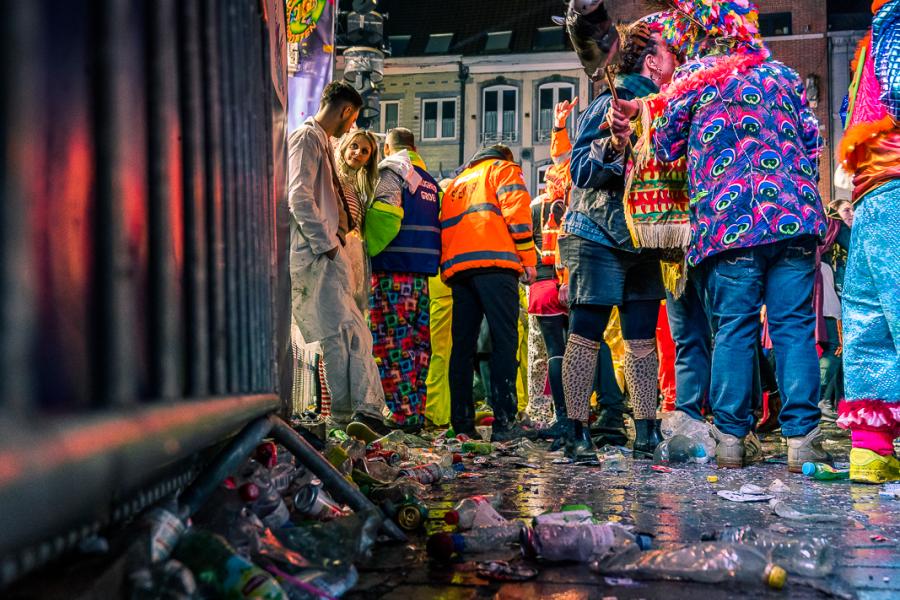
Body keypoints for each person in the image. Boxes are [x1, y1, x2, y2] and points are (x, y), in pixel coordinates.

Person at [615, 0, 831, 471]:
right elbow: (813, 143)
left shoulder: (695, 79)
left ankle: (732, 438)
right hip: (795, 219)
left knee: (734, 327)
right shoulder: (783, 75)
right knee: (794, 326)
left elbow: (664, 144)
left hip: (731, 225)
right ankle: (802, 440)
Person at [558, 18, 678, 460]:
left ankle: (646, 431)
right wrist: (612, 144)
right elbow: (580, 171)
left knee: (642, 340)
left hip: (643, 237)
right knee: (586, 334)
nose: (676, 58)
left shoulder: (666, 109)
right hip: (598, 234)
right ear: (651, 61)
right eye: (669, 51)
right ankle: (576, 431)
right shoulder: (611, 102)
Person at [288, 81, 388, 433]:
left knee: (349, 335)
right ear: (347, 111)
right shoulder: (306, 138)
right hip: (320, 253)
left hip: (331, 252)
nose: (351, 125)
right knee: (341, 334)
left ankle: (357, 412)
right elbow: (298, 196)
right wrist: (327, 245)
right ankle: (353, 413)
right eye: (353, 117)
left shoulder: (320, 141)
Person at [835, 0, 900, 483]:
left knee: (867, 320)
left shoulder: (868, 45)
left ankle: (871, 451)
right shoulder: (895, 26)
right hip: (892, 190)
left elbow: (849, 117)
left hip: (870, 195)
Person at [441, 144, 537, 442]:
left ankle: (462, 424)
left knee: (462, 347)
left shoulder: (456, 184)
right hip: (496, 263)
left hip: (459, 269)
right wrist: (528, 260)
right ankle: (505, 423)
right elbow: (517, 215)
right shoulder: (503, 169)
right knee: (504, 341)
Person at [366, 128, 442, 431]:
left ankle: (401, 416)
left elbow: (385, 218)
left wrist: (363, 248)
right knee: (418, 347)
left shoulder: (392, 172)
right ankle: (415, 414)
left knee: (391, 346)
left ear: (387, 148)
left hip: (391, 275)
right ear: (415, 147)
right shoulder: (431, 183)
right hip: (421, 279)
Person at [334, 129, 380, 313]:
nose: (357, 153)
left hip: (354, 263)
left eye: (364, 151)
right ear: (344, 147)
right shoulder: (333, 179)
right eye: (354, 146)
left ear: (368, 160)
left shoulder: (358, 189)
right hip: (336, 260)